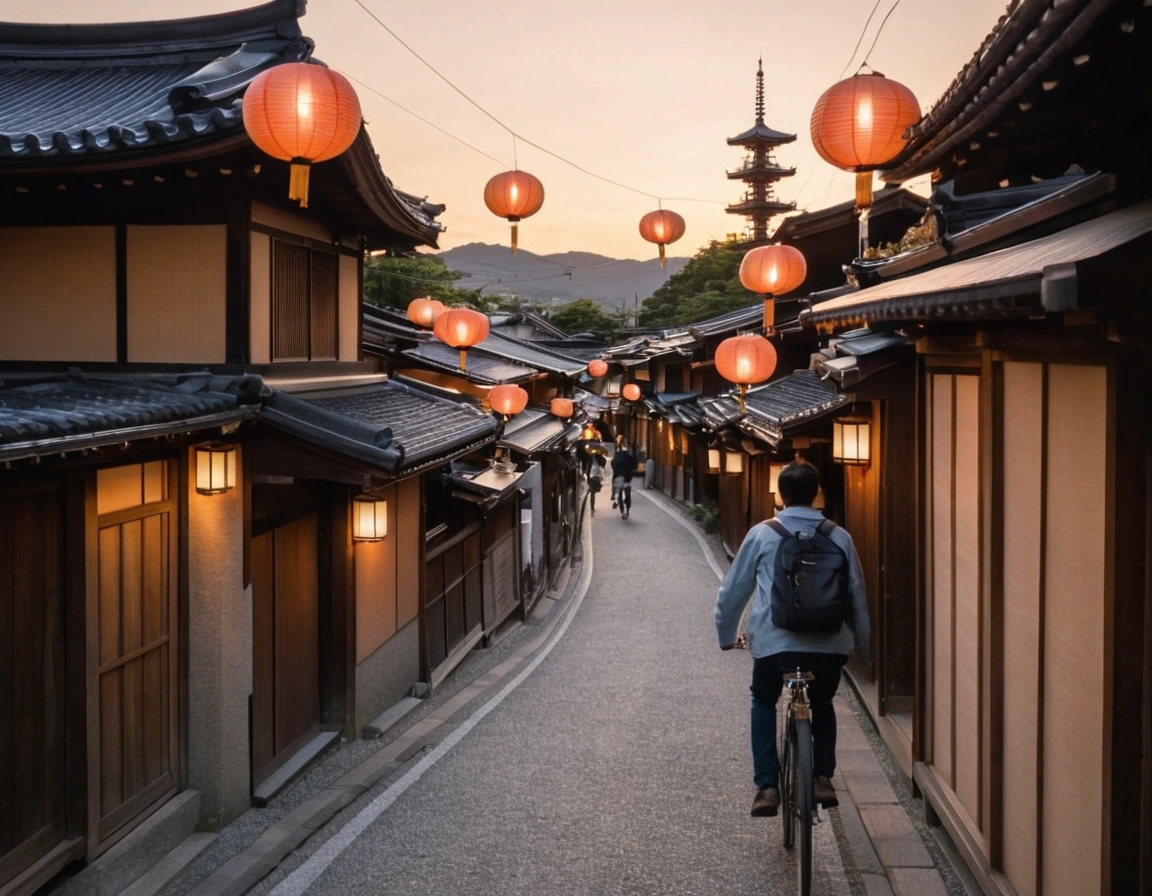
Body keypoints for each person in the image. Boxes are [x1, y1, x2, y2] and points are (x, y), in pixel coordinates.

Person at [714, 461, 869, 818]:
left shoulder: (763, 533)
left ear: (780, 495)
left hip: (774, 646)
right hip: (829, 646)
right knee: (824, 700)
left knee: (763, 700)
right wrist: (863, 649)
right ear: (816, 494)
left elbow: (733, 592)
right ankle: (823, 778)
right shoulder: (839, 536)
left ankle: (767, 786)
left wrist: (726, 636)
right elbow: (857, 598)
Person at [610, 438, 638, 519]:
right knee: (627, 494)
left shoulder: (618, 454)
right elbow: (634, 466)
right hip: (627, 477)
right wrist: (631, 471)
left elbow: (613, 463)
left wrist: (616, 471)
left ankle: (621, 510)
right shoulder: (630, 455)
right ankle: (627, 510)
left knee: (620, 494)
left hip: (618, 476)